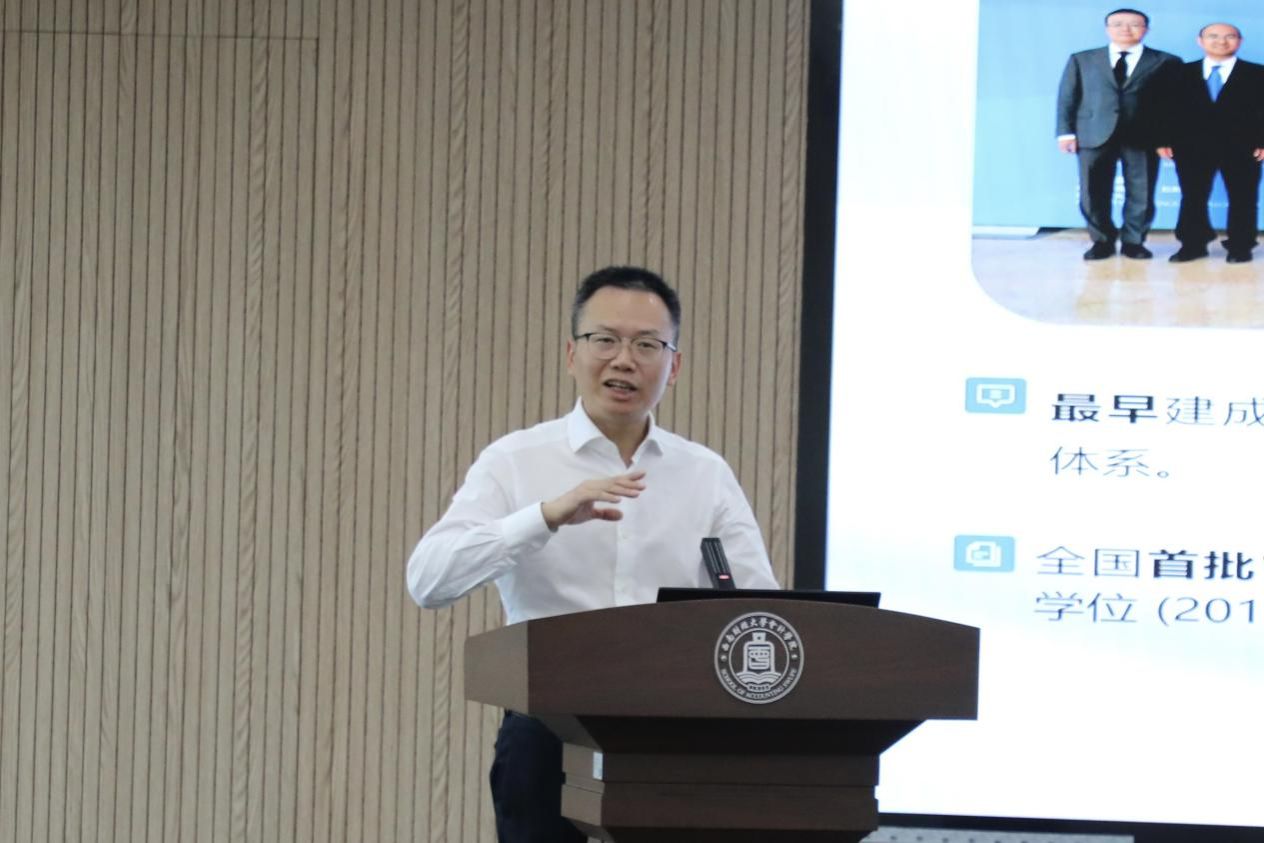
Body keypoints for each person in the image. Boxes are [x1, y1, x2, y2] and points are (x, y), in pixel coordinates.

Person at [407, 265, 779, 843]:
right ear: (571, 354)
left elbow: (760, 611)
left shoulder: (704, 474)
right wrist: (545, 517)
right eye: (604, 340)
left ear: (674, 366)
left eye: (647, 345)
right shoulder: (515, 460)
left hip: (673, 731)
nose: (624, 360)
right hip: (547, 729)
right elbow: (429, 581)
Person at [1056, 9, 1180, 260]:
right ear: (1107, 29)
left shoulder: (1166, 61)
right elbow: (1068, 97)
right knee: (1093, 191)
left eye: (1134, 24)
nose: (1126, 29)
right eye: (1118, 24)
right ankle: (1101, 241)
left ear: (1146, 29)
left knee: (1141, 191)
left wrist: (1167, 138)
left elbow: (1173, 104)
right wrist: (1065, 133)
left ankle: (1134, 242)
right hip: (1093, 134)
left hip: (1145, 136)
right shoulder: (1083, 59)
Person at [1158, 23, 1264, 264]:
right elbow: (1165, 110)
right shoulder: (1179, 72)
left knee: (1243, 197)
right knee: (1192, 196)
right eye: (1213, 36)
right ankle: (1192, 244)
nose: (1221, 41)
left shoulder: (1258, 73)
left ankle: (1240, 246)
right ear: (1200, 41)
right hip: (1190, 146)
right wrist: (1163, 139)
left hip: (1243, 146)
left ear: (1240, 41)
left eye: (1230, 36)